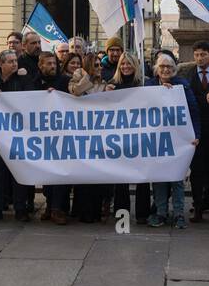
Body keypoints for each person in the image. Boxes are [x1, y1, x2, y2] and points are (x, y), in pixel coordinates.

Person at [146, 51, 200, 229]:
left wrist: (196, 135)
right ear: (156, 69)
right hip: (157, 141)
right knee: (160, 179)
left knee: (177, 179)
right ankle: (161, 213)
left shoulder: (182, 87)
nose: (165, 69)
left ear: (174, 69)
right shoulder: (149, 86)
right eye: (162, 66)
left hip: (177, 141)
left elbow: (193, 111)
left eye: (169, 66)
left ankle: (178, 214)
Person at [177, 41, 209, 222]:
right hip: (195, 131)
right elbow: (186, 98)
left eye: (203, 54)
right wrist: (205, 98)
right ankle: (197, 207)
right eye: (196, 55)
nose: (199, 58)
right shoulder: (187, 75)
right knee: (197, 171)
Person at [0, 49, 33, 221]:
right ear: (1, 64)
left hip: (19, 135)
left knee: (18, 172)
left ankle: (21, 209)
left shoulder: (23, 80)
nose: (14, 64)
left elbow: (31, 101)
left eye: (15, 61)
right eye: (10, 61)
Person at [105, 52, 150, 221]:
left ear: (135, 66)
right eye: (122, 64)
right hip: (120, 138)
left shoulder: (144, 83)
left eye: (129, 64)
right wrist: (105, 91)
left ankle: (143, 214)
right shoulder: (112, 84)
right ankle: (121, 213)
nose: (125, 67)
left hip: (140, 138)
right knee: (121, 178)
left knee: (143, 177)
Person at [67, 52, 109, 222]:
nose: (100, 68)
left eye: (101, 65)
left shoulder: (104, 83)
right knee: (83, 175)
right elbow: (75, 92)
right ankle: (81, 211)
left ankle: (95, 211)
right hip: (81, 133)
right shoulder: (78, 78)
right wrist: (88, 77)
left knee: (97, 174)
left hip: (98, 134)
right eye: (96, 65)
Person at [31, 50, 71, 223]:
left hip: (62, 135)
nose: (53, 66)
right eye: (49, 64)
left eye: (54, 63)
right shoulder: (33, 82)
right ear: (41, 65)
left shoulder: (64, 81)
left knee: (60, 174)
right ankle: (49, 205)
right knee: (47, 174)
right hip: (43, 136)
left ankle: (57, 209)